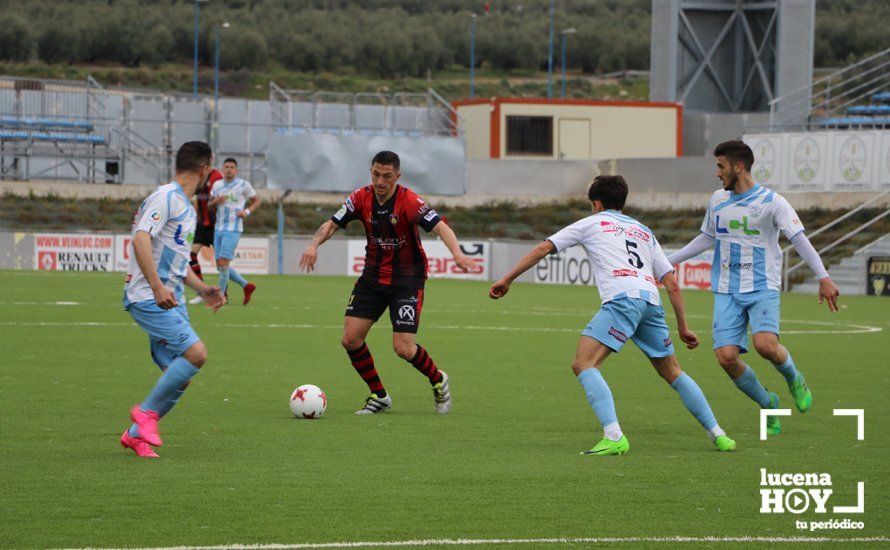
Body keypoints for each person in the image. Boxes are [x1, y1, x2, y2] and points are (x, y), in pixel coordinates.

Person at [490, 175, 736, 455]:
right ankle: (719, 434)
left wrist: (508, 279)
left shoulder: (591, 223)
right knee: (673, 372)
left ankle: (614, 435)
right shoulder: (644, 231)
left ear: (596, 203)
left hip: (622, 299)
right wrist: (683, 327)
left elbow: (544, 247)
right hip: (650, 303)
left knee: (583, 364)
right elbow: (671, 282)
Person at [667, 140, 840, 436]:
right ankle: (768, 403)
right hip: (726, 288)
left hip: (762, 285)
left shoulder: (773, 202)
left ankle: (794, 378)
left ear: (738, 167)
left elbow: (798, 238)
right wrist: (666, 262)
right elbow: (707, 238)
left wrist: (823, 277)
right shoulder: (717, 201)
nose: (717, 173)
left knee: (765, 346)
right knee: (726, 357)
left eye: (721, 167)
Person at [299, 151, 476, 415]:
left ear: (397, 176)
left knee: (403, 348)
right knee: (350, 338)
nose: (380, 181)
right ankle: (379, 395)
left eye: (387, 176)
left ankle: (438, 379)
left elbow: (441, 227)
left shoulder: (410, 202)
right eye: (376, 174)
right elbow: (332, 224)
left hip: (407, 279)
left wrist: (458, 254)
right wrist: (313, 245)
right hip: (372, 277)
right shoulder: (360, 197)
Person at [121, 141, 226, 458]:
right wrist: (155, 286)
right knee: (197, 354)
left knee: (180, 377)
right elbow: (140, 238)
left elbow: (177, 264)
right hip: (149, 298)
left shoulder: (187, 206)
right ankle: (147, 414)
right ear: (205, 169)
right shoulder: (165, 197)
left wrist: (203, 289)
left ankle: (136, 436)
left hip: (172, 300)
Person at [209, 158, 260, 305]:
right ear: (222, 169)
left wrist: (247, 211)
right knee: (220, 266)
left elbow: (257, 201)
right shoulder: (217, 185)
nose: (229, 169)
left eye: (232, 167)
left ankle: (220, 298)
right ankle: (246, 286)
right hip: (218, 229)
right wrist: (215, 202)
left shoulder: (243, 185)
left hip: (233, 229)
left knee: (224, 264)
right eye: (226, 167)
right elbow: (209, 205)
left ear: (236, 170)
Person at [188, 167, 223, 305]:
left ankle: (240, 287)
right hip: (202, 225)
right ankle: (202, 292)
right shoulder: (198, 176)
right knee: (191, 256)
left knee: (222, 264)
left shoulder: (218, 177)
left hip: (216, 226)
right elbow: (195, 198)